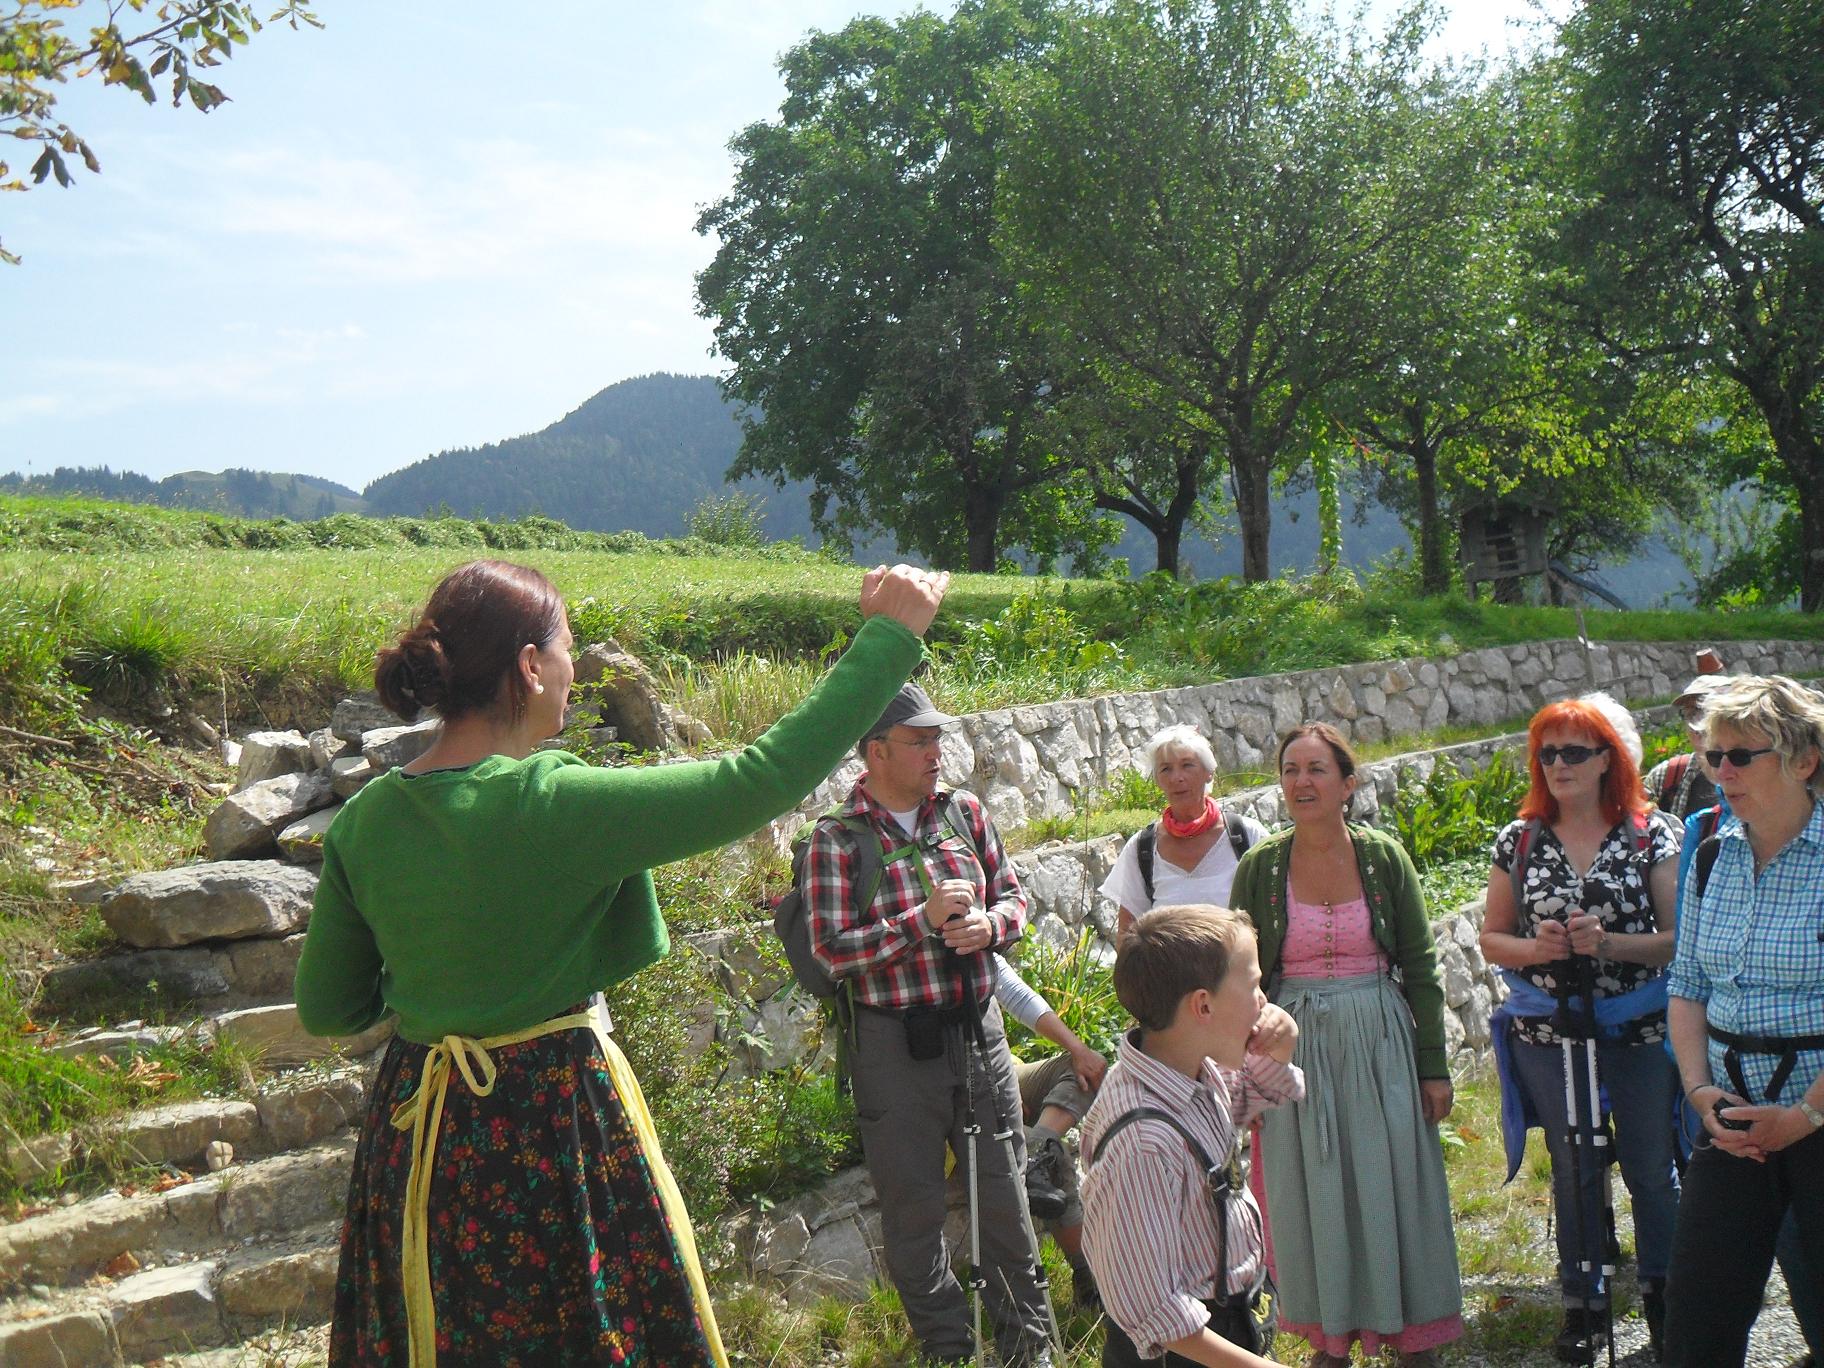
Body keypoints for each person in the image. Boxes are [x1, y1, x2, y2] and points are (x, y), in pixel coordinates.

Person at [295, 558, 948, 1368]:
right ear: (531, 667)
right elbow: (758, 781)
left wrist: (438, 982)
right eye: (568, 648)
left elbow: (331, 1007)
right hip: (550, 1127)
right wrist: (888, 639)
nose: (574, 670)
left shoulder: (367, 821)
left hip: (419, 1139)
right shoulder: (552, 805)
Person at [803, 682, 1053, 1366]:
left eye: (937, 738)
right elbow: (831, 951)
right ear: (877, 752)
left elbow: (1015, 898)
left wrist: (991, 926)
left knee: (1004, 1194)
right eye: (920, 741)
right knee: (912, 1211)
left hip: (978, 1032)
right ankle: (948, 1348)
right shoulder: (837, 840)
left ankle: (1028, 1350)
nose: (936, 752)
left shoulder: (964, 813)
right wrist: (923, 920)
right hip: (892, 1047)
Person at [1227, 722, 1462, 1367]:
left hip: (1379, 1041)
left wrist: (1433, 1069)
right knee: (1312, 1188)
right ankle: (1331, 1337)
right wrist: (1247, 1068)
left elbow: (1421, 966)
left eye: (1316, 769)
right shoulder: (1260, 867)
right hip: (1293, 1049)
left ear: (1347, 783)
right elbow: (1238, 974)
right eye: (1290, 770)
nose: (1301, 781)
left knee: (1396, 1182)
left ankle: (1413, 1334)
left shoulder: (1384, 858)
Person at [1480, 695, 1682, 1363]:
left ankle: (1666, 1296)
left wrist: (1610, 945)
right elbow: (1492, 937)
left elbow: (1678, 940)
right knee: (1573, 1167)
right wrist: (1536, 949)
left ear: (1606, 760)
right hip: (1552, 1032)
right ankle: (1583, 1302)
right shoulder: (1519, 840)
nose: (1558, 765)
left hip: (1639, 1029)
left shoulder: (1653, 835)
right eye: (1547, 753)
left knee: (1651, 1166)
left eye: (1573, 752)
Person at [1663, 675, 1824, 1368]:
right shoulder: (1710, 856)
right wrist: (1700, 1093)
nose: (1721, 772)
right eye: (1714, 755)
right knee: (1697, 1321)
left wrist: (1805, 1117)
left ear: (1804, 760)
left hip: (1818, 1114)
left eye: (1740, 755)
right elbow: (1687, 987)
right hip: (1730, 1120)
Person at [1079, 904, 1304, 1367]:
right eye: (1253, 985)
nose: (1264, 1000)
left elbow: (1246, 1098)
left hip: (1224, 1325)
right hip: (1183, 1353)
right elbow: (1155, 1310)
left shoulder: (1193, 1072)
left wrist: (1279, 1048)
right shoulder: (1142, 1144)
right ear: (1203, 1006)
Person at [994, 952, 1108, 1308]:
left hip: (1002, 1071)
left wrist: (1078, 1048)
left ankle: (1037, 1146)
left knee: (1081, 1069)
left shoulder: (974, 937)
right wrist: (1001, 1094)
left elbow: (1016, 995)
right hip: (956, 1095)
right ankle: (1089, 1278)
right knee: (1054, 1160)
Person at [1100, 725, 1271, 939]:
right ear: (1157, 780)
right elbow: (1128, 934)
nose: (1176, 778)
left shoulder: (1246, 835)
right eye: (1166, 769)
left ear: (1209, 773)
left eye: (1187, 765)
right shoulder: (1142, 848)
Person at [1643, 648, 1728, 820]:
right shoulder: (1665, 777)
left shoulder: (1756, 772)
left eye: (1707, 713)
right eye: (1690, 714)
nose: (1698, 726)